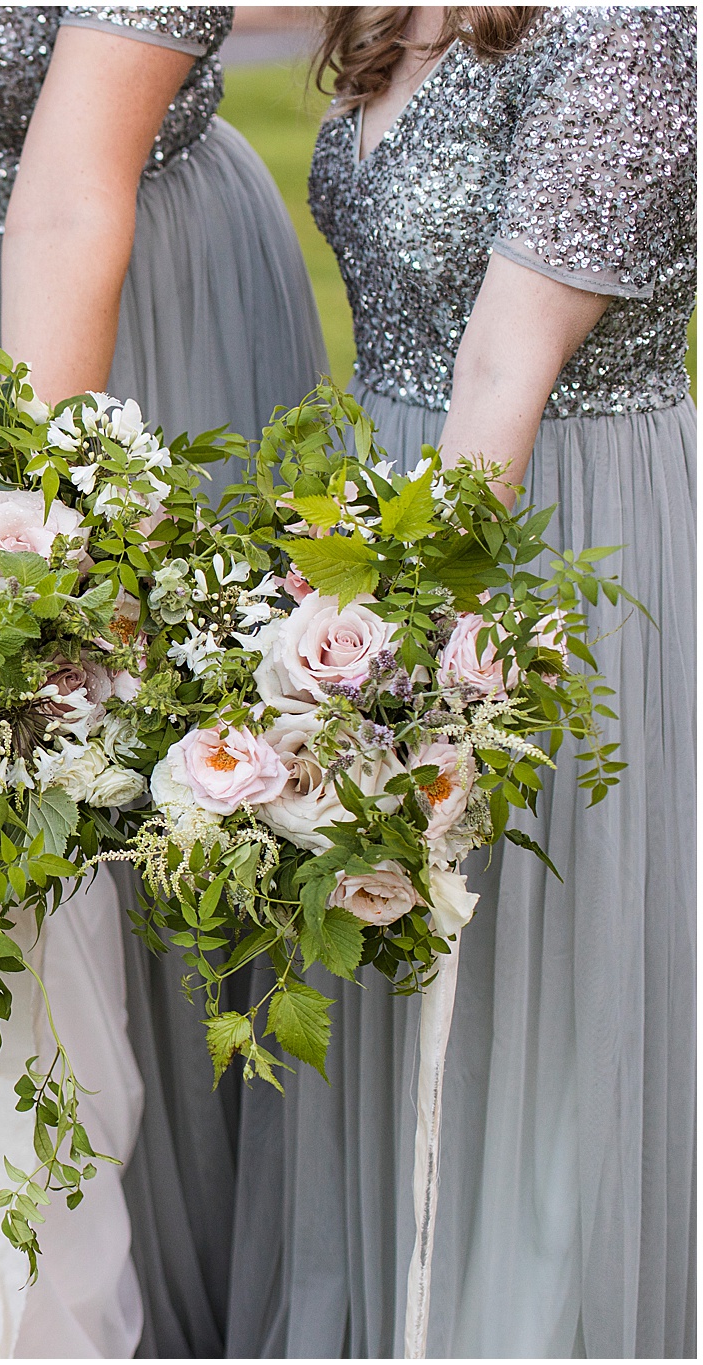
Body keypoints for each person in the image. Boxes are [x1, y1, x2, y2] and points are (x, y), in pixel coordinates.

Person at [234, 6, 696, 1356]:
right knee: (377, 939)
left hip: (534, 536)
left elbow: (505, 362)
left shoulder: (622, 28)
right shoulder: (400, 12)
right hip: (388, 500)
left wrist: (412, 633)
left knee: (525, 976)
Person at [0, 8, 327, 1353]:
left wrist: (30, 553)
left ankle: (174, 1291)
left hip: (129, 303)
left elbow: (67, 192)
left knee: (129, 795)